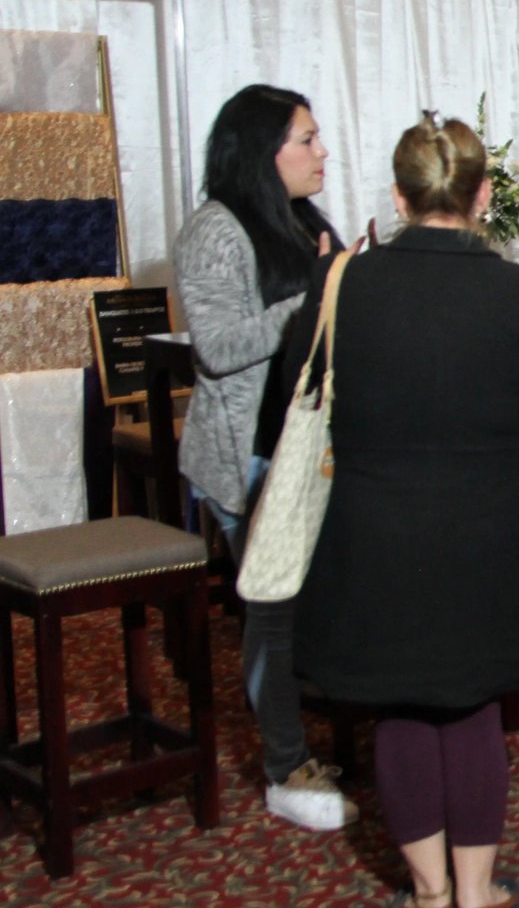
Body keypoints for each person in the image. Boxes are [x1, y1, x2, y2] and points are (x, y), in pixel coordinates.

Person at [286, 115, 519, 908]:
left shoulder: (341, 282)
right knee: (477, 709)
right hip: (488, 531)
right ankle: (477, 894)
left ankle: (429, 892)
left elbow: (296, 400)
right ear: (482, 194)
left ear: (398, 196)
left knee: (401, 711)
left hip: (376, 530)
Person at [172, 83, 354, 832]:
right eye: (306, 140)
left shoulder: (306, 218)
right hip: (245, 456)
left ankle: (299, 741)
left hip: (303, 445)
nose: (323, 153)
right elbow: (217, 349)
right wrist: (314, 299)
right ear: (262, 150)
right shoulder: (215, 229)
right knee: (273, 610)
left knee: (298, 607)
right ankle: (283, 766)